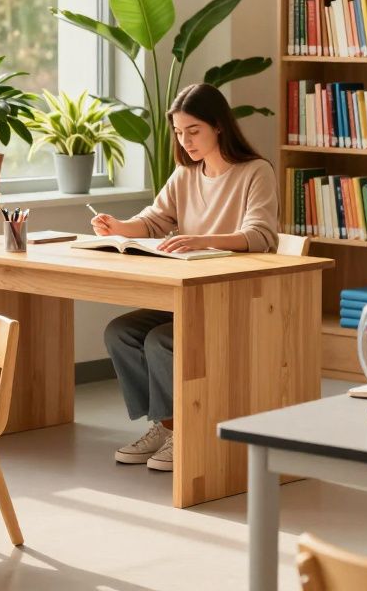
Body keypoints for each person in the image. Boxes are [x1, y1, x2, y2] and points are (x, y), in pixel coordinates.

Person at [90, 83, 278, 471]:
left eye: (193, 131)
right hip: (189, 294)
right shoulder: (185, 174)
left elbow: (262, 237)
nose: (185, 140)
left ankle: (184, 433)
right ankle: (166, 426)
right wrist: (120, 227)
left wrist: (200, 239)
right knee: (119, 333)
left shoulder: (255, 172)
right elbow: (157, 220)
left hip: (233, 297)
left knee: (162, 340)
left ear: (218, 126)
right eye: (179, 132)